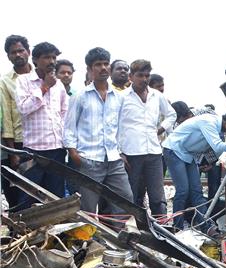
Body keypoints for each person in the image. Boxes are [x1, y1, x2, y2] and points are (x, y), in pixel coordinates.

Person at [63, 47, 133, 226]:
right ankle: (89, 246)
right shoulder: (80, 96)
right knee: (88, 207)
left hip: (113, 159)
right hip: (89, 159)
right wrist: (74, 154)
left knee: (125, 199)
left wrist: (121, 152)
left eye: (105, 64)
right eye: (97, 65)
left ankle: (118, 239)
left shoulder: (118, 98)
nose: (103, 68)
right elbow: (69, 128)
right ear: (89, 69)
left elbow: (121, 128)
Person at [162, 102, 226, 231]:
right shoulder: (209, 122)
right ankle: (177, 227)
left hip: (189, 154)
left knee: (196, 192)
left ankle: (205, 226)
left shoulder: (216, 126)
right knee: (183, 191)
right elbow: (217, 147)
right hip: (174, 150)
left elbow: (213, 151)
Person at [118, 59, 175, 216]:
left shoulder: (156, 96)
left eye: (147, 75)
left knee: (158, 198)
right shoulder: (121, 97)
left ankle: (162, 232)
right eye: (140, 75)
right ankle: (134, 232)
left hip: (154, 153)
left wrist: (161, 128)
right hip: (131, 154)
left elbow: (171, 114)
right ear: (131, 76)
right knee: (132, 196)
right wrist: (119, 152)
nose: (144, 79)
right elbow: (112, 125)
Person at [15, 41, 68, 207]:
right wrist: (44, 86)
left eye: (54, 57)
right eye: (46, 57)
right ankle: (21, 232)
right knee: (27, 196)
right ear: (35, 59)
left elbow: (64, 114)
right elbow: (23, 109)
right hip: (33, 152)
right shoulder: (24, 81)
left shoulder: (58, 84)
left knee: (55, 197)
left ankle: (55, 232)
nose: (51, 61)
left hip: (57, 150)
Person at [0, 35, 32, 210]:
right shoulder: (5, 82)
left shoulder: (40, 77)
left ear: (28, 52)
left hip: (42, 144)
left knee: (42, 194)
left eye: (21, 50)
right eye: (14, 52)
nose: (18, 54)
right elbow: (6, 120)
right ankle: (18, 233)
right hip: (18, 144)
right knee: (17, 195)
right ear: (8, 56)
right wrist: (13, 153)